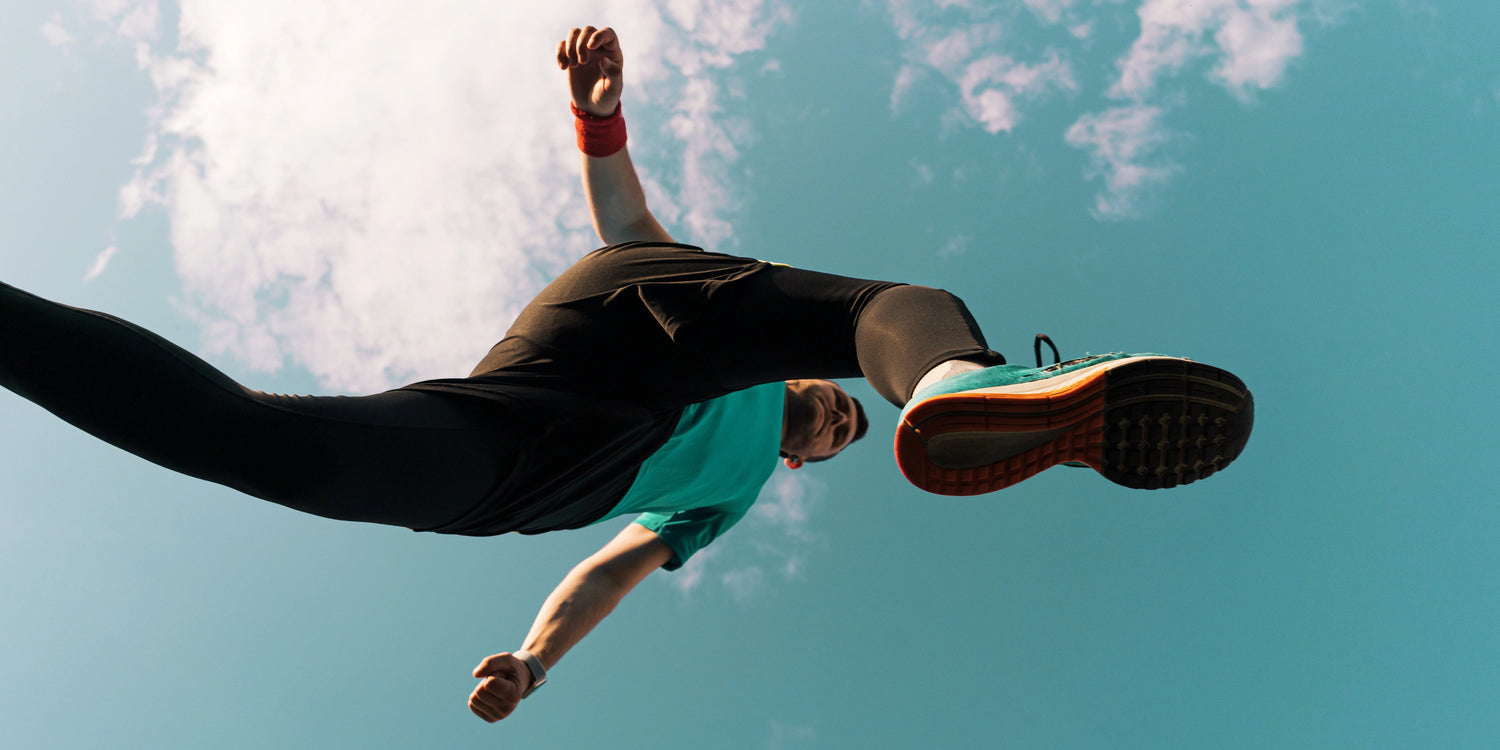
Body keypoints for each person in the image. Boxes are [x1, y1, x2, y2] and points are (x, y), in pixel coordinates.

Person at [0, 25, 1253, 725]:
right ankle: (955, 383)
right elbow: (628, 232)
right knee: (875, 310)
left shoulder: (727, 499)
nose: (822, 409)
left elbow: (608, 567)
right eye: (834, 405)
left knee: (278, 451)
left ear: (803, 462)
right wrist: (600, 124)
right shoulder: (754, 365)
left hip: (519, 472)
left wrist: (536, 658)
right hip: (585, 359)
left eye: (828, 425)